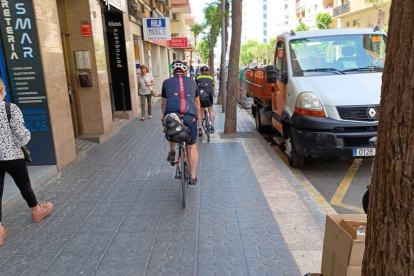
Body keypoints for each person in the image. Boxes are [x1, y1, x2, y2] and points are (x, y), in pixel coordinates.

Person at [0, 78, 53, 245]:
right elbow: (22, 136)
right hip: (13, 156)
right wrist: (18, 142)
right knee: (24, 184)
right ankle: (36, 211)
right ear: (4, 89)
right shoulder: (10, 108)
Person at [161, 60, 200, 185]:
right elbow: (197, 103)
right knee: (192, 146)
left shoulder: (166, 82)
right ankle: (193, 177)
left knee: (170, 125)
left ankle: (172, 151)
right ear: (186, 71)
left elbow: (164, 103)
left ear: (173, 71)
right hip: (190, 116)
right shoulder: (193, 82)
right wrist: (197, 116)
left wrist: (163, 116)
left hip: (172, 114)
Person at [196, 65, 216, 135]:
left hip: (200, 94)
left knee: (200, 111)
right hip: (209, 93)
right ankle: (212, 127)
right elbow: (212, 87)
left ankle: (200, 129)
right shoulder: (211, 77)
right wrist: (212, 93)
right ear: (208, 71)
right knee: (211, 110)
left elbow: (195, 87)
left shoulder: (197, 77)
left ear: (201, 71)